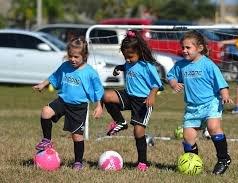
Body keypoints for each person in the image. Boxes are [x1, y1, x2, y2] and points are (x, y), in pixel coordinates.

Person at [33, 37, 104, 170]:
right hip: (63, 101)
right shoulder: (65, 66)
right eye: (70, 56)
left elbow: (98, 89)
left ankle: (78, 162)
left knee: (76, 136)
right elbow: (55, 75)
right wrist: (43, 84)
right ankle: (47, 141)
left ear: (85, 56)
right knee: (45, 111)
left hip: (78, 107)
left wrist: (99, 105)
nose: (72, 59)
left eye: (76, 57)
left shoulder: (90, 73)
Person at [167, 30, 233, 175]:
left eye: (188, 48)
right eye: (183, 47)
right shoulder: (181, 65)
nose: (184, 50)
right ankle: (193, 163)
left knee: (213, 127)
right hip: (192, 107)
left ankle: (223, 159)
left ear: (200, 48)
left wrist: (225, 94)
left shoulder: (208, 64)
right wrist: (173, 84)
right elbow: (171, 75)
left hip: (211, 103)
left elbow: (220, 82)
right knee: (188, 137)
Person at [103, 30, 163, 171]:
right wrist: (120, 67)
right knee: (106, 96)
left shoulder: (147, 66)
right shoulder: (129, 62)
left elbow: (157, 84)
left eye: (130, 57)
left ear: (140, 52)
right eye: (125, 57)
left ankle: (142, 162)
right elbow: (129, 66)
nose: (128, 60)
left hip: (143, 101)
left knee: (138, 132)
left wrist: (152, 95)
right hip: (128, 96)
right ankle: (120, 122)